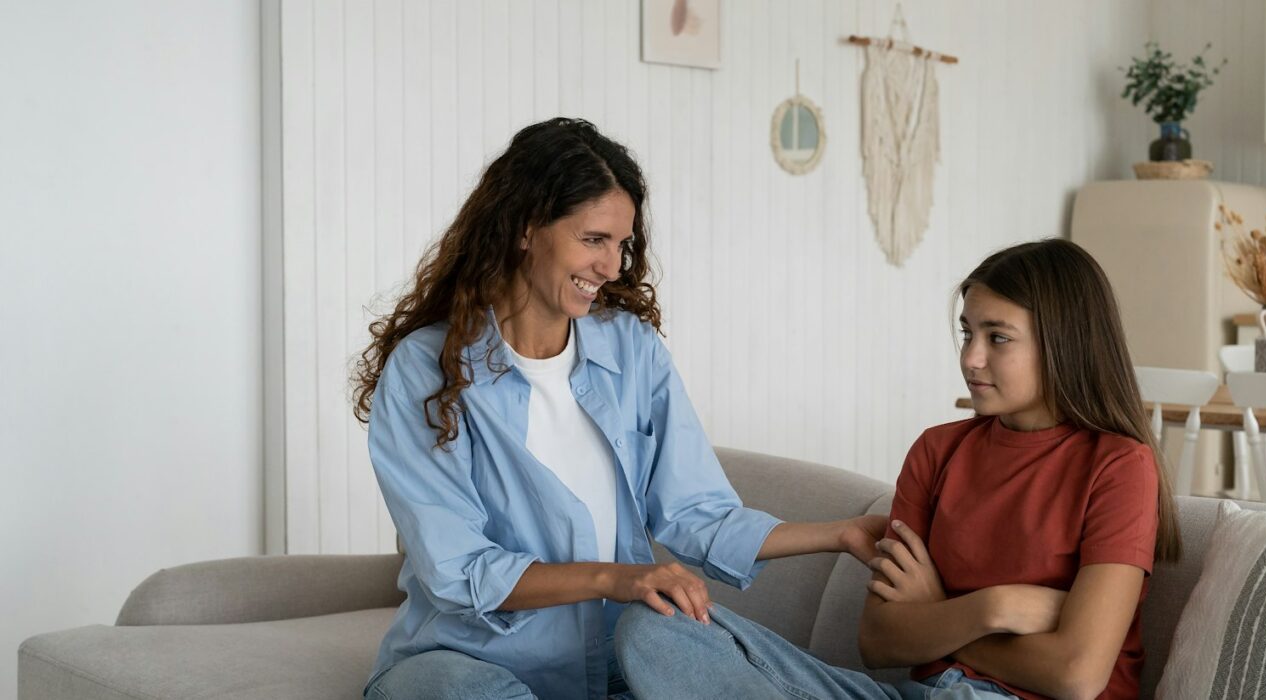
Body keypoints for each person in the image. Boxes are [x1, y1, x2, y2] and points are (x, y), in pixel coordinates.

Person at [352, 117, 886, 699]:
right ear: (526, 229)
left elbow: (697, 513)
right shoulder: (427, 370)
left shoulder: (631, 351)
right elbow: (459, 569)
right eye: (593, 239)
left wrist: (841, 533)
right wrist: (617, 578)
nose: (610, 267)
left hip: (606, 666)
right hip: (464, 659)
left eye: (621, 244)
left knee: (668, 640)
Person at [616, 238, 1182, 699]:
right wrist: (993, 608)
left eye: (997, 338)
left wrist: (935, 619)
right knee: (654, 630)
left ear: (1064, 344)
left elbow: (1076, 675)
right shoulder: (938, 452)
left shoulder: (1118, 465)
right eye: (967, 333)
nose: (970, 358)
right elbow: (881, 641)